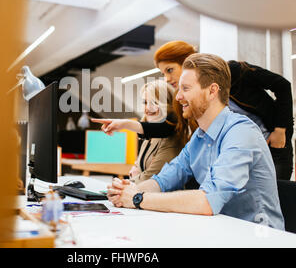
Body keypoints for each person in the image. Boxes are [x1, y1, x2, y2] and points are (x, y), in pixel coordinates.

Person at [107, 53, 285, 230]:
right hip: (223, 231)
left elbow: (208, 201)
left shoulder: (241, 132)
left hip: (259, 237)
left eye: (186, 88)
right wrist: (127, 191)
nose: (178, 97)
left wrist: (138, 198)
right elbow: (163, 180)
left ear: (212, 91)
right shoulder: (199, 138)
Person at [127, 80, 184, 184]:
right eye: (145, 102)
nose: (148, 108)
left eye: (155, 102)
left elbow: (151, 177)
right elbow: (139, 167)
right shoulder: (149, 135)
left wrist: (128, 182)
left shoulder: (170, 139)